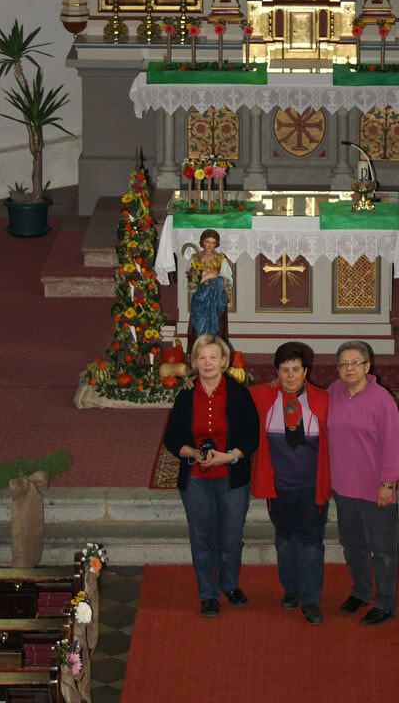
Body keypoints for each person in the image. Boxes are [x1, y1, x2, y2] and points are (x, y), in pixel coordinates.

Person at [163, 333, 259, 616]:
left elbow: (252, 437)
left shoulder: (239, 394)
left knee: (230, 537)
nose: (207, 363)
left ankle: (229, 584)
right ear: (194, 361)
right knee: (202, 538)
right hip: (195, 478)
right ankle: (208, 594)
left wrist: (229, 456)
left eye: (213, 357)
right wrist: (193, 453)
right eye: (202, 358)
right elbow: (171, 438)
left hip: (231, 477)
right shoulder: (186, 395)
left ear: (224, 360)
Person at [250, 341, 330, 624]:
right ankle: (291, 589)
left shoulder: (323, 399)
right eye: (284, 370)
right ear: (276, 371)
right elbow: (229, 394)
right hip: (278, 487)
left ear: (306, 371)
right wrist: (192, 381)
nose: (290, 375)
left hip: (311, 487)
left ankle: (310, 600)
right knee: (284, 540)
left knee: (310, 543)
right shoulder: (262, 396)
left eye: (296, 369)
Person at [327, 340, 399, 625]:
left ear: (368, 366)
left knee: (382, 549)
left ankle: (385, 602)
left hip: (375, 488)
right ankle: (360, 591)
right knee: (352, 544)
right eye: (343, 364)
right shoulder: (333, 392)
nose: (349, 368)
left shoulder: (382, 400)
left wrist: (388, 482)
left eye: (355, 363)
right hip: (342, 486)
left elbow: (393, 445)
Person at [185, 228, 232, 356]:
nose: (210, 245)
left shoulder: (220, 258)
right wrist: (205, 277)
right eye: (207, 242)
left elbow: (227, 279)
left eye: (213, 242)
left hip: (216, 299)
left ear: (216, 244)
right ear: (202, 242)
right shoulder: (195, 258)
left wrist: (214, 279)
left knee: (216, 331)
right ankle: (198, 356)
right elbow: (191, 280)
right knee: (199, 329)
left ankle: (217, 356)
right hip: (200, 299)